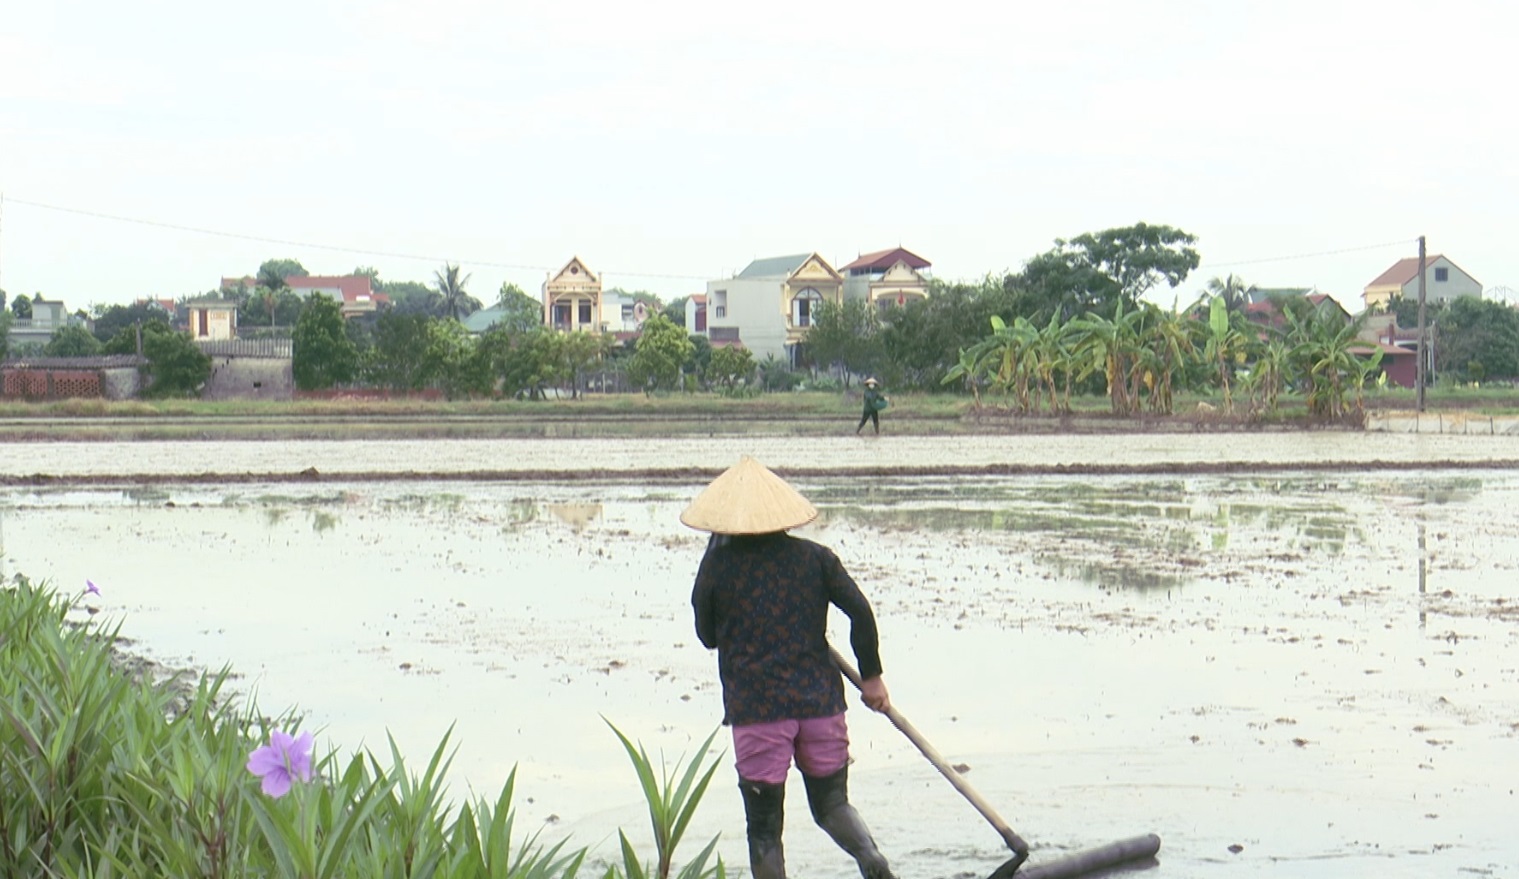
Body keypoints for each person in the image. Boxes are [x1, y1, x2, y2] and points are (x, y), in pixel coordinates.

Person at [684, 456, 897, 879]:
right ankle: (871, 860)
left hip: (758, 712)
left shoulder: (717, 568)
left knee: (764, 831)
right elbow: (859, 610)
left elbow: (708, 636)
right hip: (819, 703)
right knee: (833, 805)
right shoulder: (815, 559)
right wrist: (871, 677)